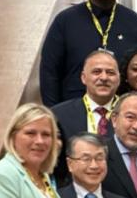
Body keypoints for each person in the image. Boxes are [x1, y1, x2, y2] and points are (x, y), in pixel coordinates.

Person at [40, 0, 137, 106]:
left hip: (123, 112)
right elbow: (49, 71)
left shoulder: (135, 22)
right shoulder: (66, 20)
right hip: (73, 109)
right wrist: (54, 112)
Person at [51, 50, 121, 184]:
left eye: (110, 72)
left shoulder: (131, 115)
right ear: (83, 78)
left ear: (119, 78)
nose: (104, 77)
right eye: (96, 72)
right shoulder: (60, 115)